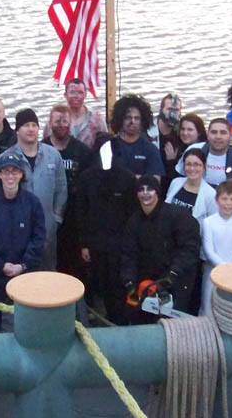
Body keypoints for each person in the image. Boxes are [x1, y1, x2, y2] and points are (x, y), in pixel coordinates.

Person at [0, 153, 46, 332]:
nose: (10, 176)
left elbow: (39, 238)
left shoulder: (32, 203)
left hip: (25, 271)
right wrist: (1, 265)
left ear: (21, 175)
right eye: (6, 171)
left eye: (14, 171)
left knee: (27, 317)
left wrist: (23, 265)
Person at [0, 109, 67, 271]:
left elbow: (61, 189)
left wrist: (56, 218)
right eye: (26, 125)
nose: (31, 129)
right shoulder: (5, 159)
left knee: (47, 273)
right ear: (17, 130)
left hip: (47, 229)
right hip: (15, 232)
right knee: (21, 275)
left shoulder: (53, 155)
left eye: (34, 125)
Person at [74, 138, 138, 325]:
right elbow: (81, 213)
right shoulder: (86, 178)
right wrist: (83, 244)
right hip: (94, 243)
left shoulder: (127, 178)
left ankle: (120, 320)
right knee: (97, 283)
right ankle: (97, 318)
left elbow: (132, 213)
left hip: (120, 244)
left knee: (119, 285)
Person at [120, 175, 201, 320]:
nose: (145, 193)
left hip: (176, 280)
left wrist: (172, 275)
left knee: (173, 325)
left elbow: (190, 249)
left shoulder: (177, 216)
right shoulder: (133, 222)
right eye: (141, 189)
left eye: (150, 189)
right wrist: (130, 283)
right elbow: (128, 254)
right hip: (147, 283)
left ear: (157, 192)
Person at [43, 104, 94, 279]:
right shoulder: (41, 150)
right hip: (48, 216)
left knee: (75, 267)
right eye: (57, 121)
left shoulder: (83, 152)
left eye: (65, 121)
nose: (62, 125)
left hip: (75, 217)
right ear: (50, 123)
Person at [199, 180, 232, 316]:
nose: (228, 203)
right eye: (224, 199)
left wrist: (231, 268)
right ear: (216, 200)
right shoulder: (208, 222)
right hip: (212, 273)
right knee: (208, 308)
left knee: (231, 310)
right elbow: (208, 250)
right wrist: (223, 267)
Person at [109, 94, 164, 179]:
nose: (132, 121)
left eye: (137, 118)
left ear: (142, 121)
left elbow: (155, 181)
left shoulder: (150, 149)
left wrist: (126, 178)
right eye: (128, 117)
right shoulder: (108, 147)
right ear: (120, 119)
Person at [43, 78, 108, 147]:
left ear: (85, 95)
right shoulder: (54, 121)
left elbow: (106, 146)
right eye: (72, 92)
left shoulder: (97, 120)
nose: (76, 96)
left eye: (80, 93)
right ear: (65, 95)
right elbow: (45, 147)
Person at [182, 118, 232, 187]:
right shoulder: (192, 150)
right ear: (207, 134)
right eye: (214, 132)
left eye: (223, 132)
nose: (218, 137)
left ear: (230, 136)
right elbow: (181, 177)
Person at [165, 148, 217, 221]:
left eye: (197, 165)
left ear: (204, 166)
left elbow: (213, 222)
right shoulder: (175, 182)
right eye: (188, 164)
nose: (192, 168)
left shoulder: (211, 194)